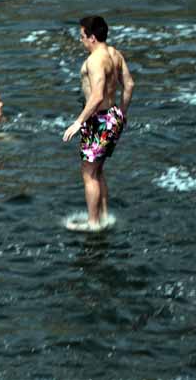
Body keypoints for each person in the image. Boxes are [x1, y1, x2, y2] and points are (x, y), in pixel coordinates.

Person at [62, 16, 135, 230]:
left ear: (92, 37)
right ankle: (103, 216)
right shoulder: (115, 54)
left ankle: (93, 224)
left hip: (98, 120)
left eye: (82, 36)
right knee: (98, 170)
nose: (81, 41)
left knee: (89, 173)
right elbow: (129, 85)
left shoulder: (95, 60)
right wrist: (122, 113)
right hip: (113, 116)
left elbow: (96, 96)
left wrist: (77, 123)